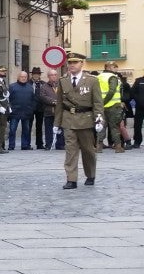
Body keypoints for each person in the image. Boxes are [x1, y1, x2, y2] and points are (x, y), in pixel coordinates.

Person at [53, 53, 103, 189]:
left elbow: (98, 102)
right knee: (70, 151)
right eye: (70, 63)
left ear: (82, 64)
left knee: (88, 151)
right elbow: (59, 104)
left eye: (75, 62)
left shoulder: (92, 80)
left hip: (86, 119)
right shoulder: (63, 80)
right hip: (68, 119)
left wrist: (99, 120)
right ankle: (71, 179)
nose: (72, 65)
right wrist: (57, 123)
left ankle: (90, 175)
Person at [99, 61, 126, 152]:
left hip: (100, 106)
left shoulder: (98, 77)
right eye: (115, 67)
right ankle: (118, 147)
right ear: (109, 67)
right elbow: (112, 91)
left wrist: (100, 103)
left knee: (101, 126)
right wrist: (105, 102)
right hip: (113, 106)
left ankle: (99, 146)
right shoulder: (113, 77)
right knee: (114, 127)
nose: (116, 69)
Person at [7, 70, 36, 150]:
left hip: (27, 112)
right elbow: (8, 99)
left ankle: (25, 145)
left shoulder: (30, 87)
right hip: (15, 112)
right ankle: (11, 145)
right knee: (12, 130)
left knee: (26, 130)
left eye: (25, 77)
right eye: (22, 77)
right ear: (18, 77)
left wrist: (32, 109)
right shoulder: (12, 86)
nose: (23, 78)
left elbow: (33, 99)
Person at [34, 68, 58, 150]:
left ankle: (60, 144)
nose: (53, 76)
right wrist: (54, 102)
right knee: (48, 129)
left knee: (60, 129)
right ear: (48, 76)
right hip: (49, 111)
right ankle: (49, 144)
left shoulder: (61, 85)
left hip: (59, 111)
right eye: (51, 75)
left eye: (55, 75)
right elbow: (43, 97)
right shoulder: (44, 86)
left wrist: (59, 102)